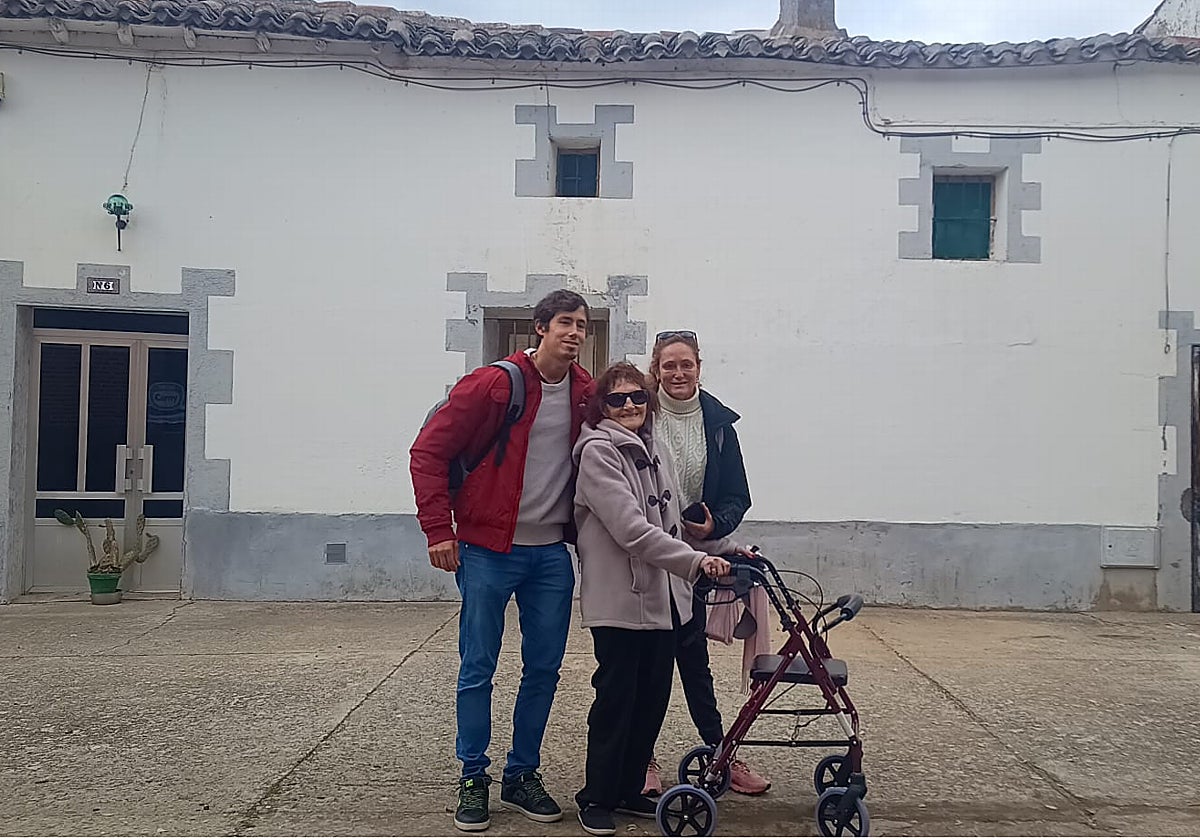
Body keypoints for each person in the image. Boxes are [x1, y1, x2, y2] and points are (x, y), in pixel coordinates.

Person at [409, 289, 592, 832]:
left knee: (544, 668)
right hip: (487, 550)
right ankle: (472, 776)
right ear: (540, 328)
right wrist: (439, 530)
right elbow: (428, 452)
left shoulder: (586, 393)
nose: (575, 332)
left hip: (551, 555)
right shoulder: (495, 384)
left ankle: (521, 774)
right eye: (564, 322)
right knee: (478, 667)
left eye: (582, 324)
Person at [571, 361, 749, 836]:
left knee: (652, 699)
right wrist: (694, 564)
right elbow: (632, 529)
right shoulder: (597, 454)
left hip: (666, 601)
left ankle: (630, 789)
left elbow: (673, 528)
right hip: (621, 601)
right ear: (601, 407)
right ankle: (597, 797)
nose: (629, 405)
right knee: (616, 700)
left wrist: (726, 548)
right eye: (617, 399)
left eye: (637, 398)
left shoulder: (657, 448)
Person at [642, 329, 772, 797]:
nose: (678, 373)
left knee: (694, 664)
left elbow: (739, 496)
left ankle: (722, 754)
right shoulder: (638, 413)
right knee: (649, 667)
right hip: (645, 561)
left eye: (686, 365)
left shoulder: (718, 425)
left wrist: (715, 524)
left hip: (695, 561)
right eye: (669, 365)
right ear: (656, 369)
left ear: (699, 367)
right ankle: (644, 761)